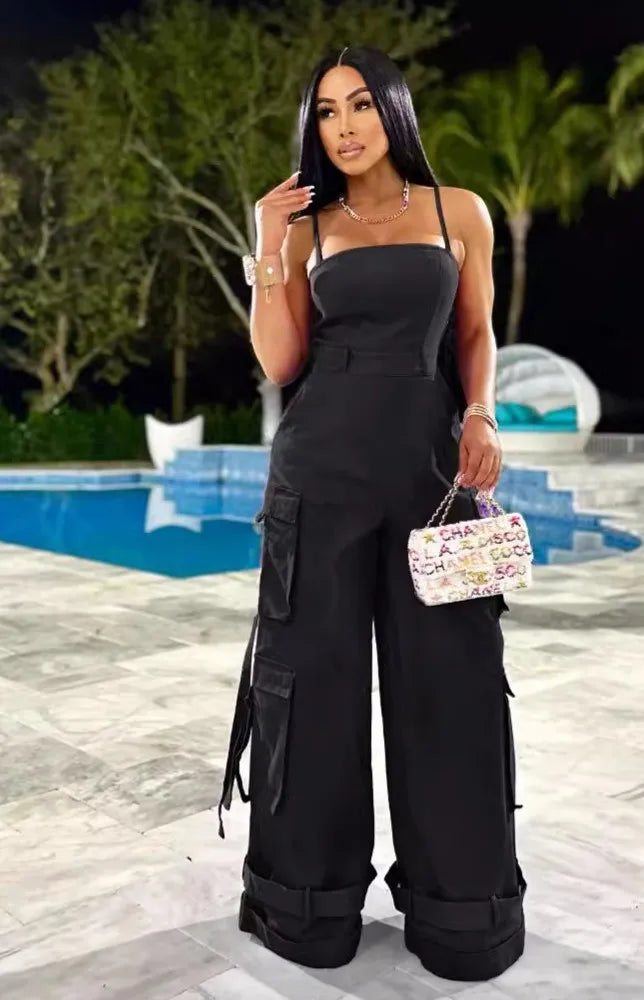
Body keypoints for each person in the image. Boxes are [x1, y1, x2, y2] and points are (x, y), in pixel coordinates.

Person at [217, 45, 526, 983]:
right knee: (310, 691)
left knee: (457, 687)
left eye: (359, 106)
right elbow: (280, 364)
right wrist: (268, 248)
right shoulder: (309, 227)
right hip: (319, 473)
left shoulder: (456, 210)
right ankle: (306, 908)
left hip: (437, 476)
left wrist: (480, 412)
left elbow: (473, 333)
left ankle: (464, 913)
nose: (343, 127)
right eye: (325, 113)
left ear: (393, 110)